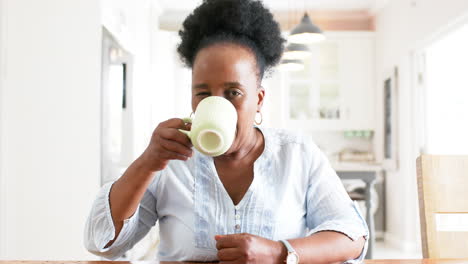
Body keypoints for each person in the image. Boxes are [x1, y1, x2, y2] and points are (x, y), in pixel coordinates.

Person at [84, 0, 368, 263]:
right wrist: (146, 163)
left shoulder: (297, 153)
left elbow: (353, 235)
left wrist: (279, 252)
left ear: (258, 98)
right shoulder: (168, 160)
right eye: (203, 93)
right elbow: (102, 243)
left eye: (233, 92)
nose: (215, 104)